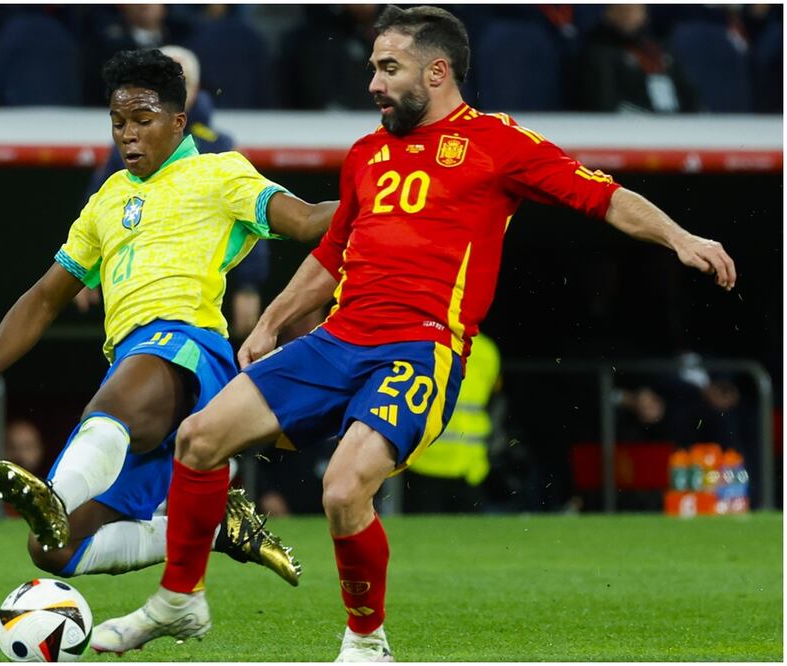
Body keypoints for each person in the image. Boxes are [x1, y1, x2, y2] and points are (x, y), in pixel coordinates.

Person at [92, 5, 737, 660]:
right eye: (373, 65)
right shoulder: (366, 154)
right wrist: (272, 322)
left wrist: (678, 237)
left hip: (419, 346)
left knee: (342, 490)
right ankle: (179, 601)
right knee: (199, 438)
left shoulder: (495, 142)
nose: (372, 81)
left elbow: (602, 196)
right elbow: (330, 256)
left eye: (386, 67)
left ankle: (366, 641)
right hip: (338, 339)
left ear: (436, 72)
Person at [0, 49, 336, 584]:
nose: (128, 135)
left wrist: (385, 198)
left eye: (143, 122)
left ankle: (55, 492)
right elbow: (47, 295)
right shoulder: (106, 200)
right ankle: (210, 530)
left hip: (190, 353)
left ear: (177, 121)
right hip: (133, 364)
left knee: (119, 398)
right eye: (118, 122)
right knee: (53, 547)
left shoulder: (219, 173)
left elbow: (308, 221)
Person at [76, 45, 269, 340]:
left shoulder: (219, 148)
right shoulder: (128, 147)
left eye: (179, 81)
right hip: (135, 290)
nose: (129, 134)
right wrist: (85, 270)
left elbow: (256, 214)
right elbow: (98, 210)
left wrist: (248, 286)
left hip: (204, 291)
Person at [403, 333, 502, 513]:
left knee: (424, 534)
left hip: (436, 461)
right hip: (459, 462)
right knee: (470, 536)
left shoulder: (420, 341)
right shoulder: (488, 350)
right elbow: (495, 400)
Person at [578, 4, 699, 113]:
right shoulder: (600, 53)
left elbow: (688, 93)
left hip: (675, 123)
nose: (628, 16)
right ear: (607, 14)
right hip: (632, 126)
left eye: (635, 10)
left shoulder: (658, 50)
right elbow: (605, 102)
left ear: (645, 15)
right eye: (622, 10)